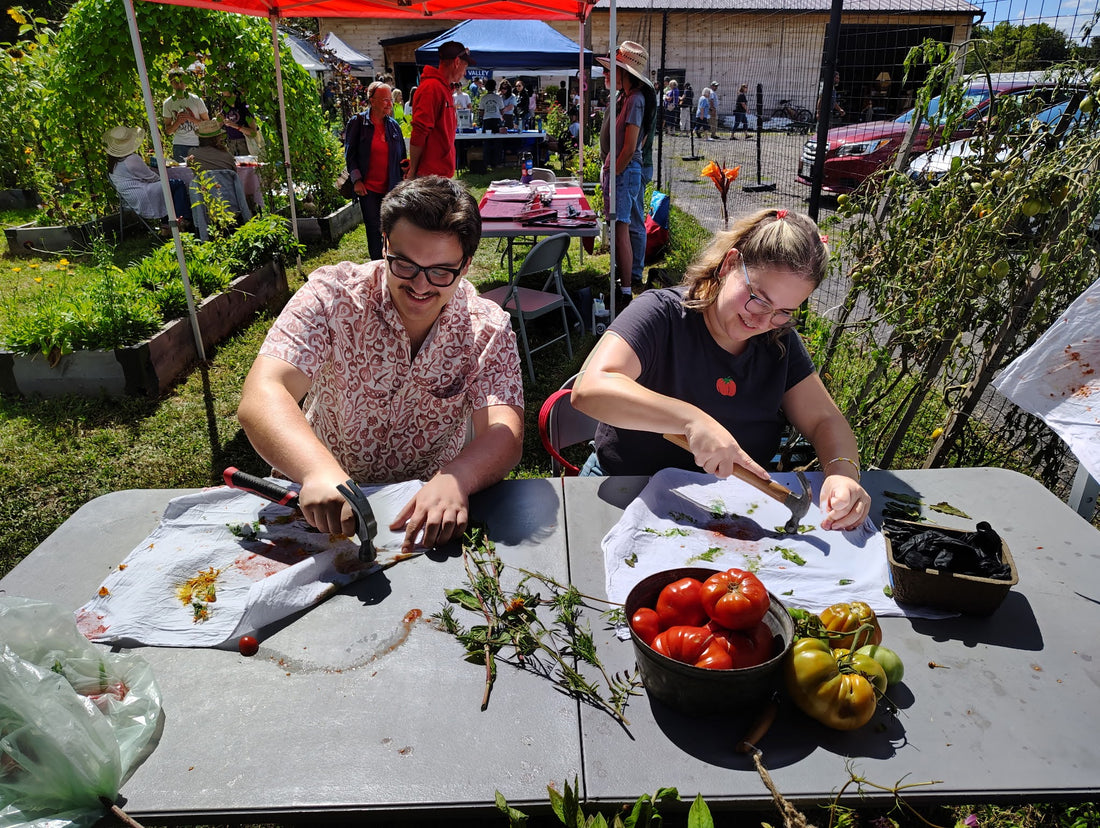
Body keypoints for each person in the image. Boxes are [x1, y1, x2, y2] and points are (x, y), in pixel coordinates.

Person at [237, 176, 525, 553]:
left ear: (466, 265)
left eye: (441, 272)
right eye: (404, 265)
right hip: (316, 504)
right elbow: (263, 393)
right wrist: (316, 471)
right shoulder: (332, 298)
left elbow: (504, 431)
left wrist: (458, 477)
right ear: (385, 244)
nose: (421, 286)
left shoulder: (487, 328)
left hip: (422, 512)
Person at [570, 208, 870, 532]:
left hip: (724, 510)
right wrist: (691, 420)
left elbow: (825, 419)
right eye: (757, 298)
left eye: (784, 311)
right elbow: (590, 390)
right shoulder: (662, 315)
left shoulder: (778, 342)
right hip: (626, 492)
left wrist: (842, 473)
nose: (762, 320)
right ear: (729, 264)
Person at [598, 40, 651, 306]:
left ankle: (627, 288)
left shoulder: (635, 100)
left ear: (626, 72)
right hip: (622, 170)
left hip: (625, 171)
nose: (608, 73)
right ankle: (624, 281)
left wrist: (613, 172)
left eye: (613, 68)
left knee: (623, 228)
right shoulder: (628, 98)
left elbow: (630, 147)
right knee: (620, 228)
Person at [345, 82, 408, 262]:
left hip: (391, 187)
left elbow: (402, 155)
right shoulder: (358, 123)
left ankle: (393, 264)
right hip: (369, 189)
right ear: (372, 101)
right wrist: (357, 180)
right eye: (385, 100)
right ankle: (377, 267)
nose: (389, 103)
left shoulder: (393, 126)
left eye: (390, 99)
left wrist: (405, 167)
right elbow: (350, 155)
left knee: (393, 228)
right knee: (374, 230)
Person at [103, 125, 193, 233]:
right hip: (143, 194)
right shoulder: (131, 159)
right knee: (177, 184)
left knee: (169, 187)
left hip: (131, 197)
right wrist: (161, 178)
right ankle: (182, 220)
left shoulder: (113, 162)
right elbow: (151, 177)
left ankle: (167, 224)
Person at [407, 41, 473, 180]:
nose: (464, 73)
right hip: (430, 177)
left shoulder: (443, 88)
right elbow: (419, 132)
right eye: (465, 66)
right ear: (456, 62)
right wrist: (412, 172)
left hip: (438, 174)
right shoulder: (432, 88)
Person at [162, 66, 210, 162]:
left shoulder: (196, 99)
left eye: (182, 81)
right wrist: (178, 122)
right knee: (182, 174)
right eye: (176, 81)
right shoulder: (168, 103)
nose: (179, 84)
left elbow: (207, 124)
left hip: (197, 143)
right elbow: (168, 131)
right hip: (179, 145)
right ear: (171, 83)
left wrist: (190, 118)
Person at [217, 87, 258, 156]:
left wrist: (235, 126)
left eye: (229, 96)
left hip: (245, 144)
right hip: (231, 144)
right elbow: (220, 126)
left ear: (235, 94)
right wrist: (220, 120)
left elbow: (253, 133)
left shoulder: (245, 107)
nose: (227, 99)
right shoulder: (225, 107)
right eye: (225, 97)